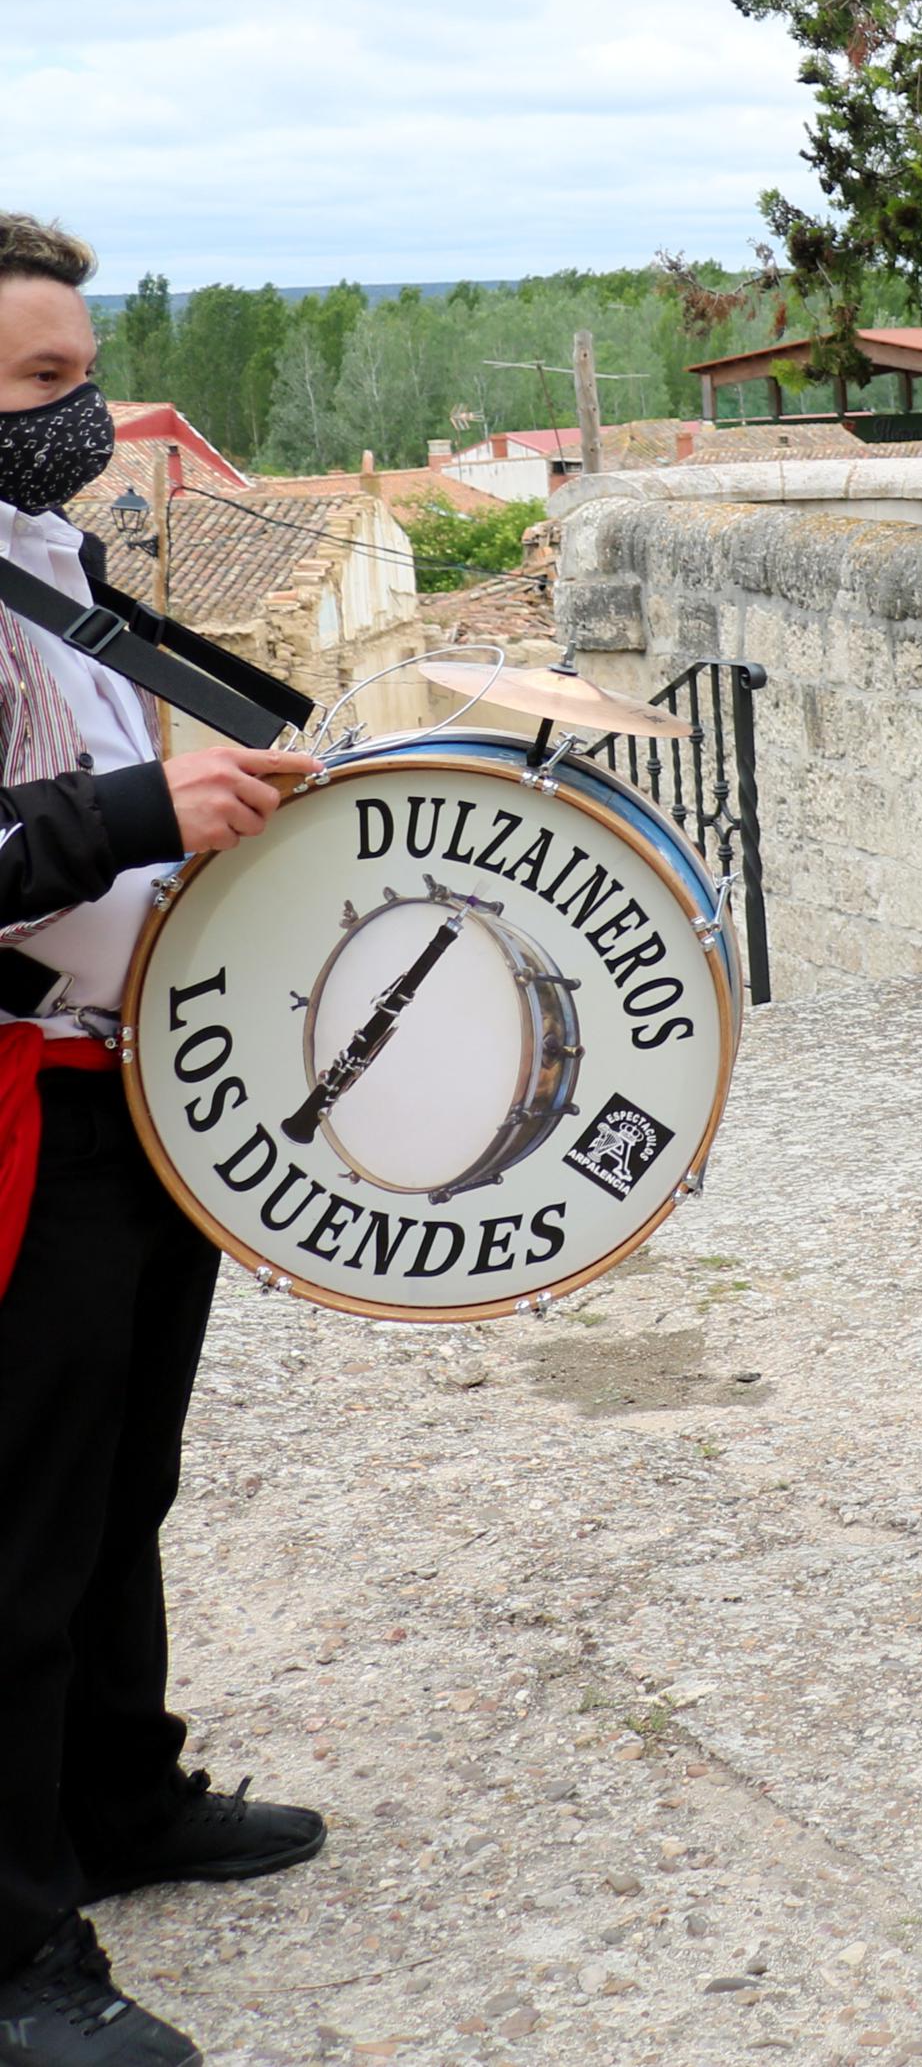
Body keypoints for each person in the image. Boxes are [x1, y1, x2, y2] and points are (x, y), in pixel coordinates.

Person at [0, 216, 346, 2067]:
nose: (83, 415)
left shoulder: (50, 555)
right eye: (41, 384)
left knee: (124, 1481)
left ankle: (118, 1798)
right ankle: (14, 1957)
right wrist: (146, 800)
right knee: (15, 1538)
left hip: (131, 1084)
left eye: (83, 375)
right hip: (18, 1107)